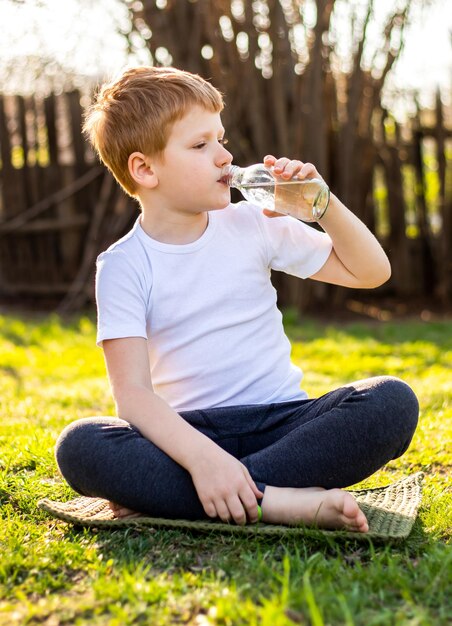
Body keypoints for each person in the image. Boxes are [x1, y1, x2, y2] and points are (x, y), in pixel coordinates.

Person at [55, 66, 419, 532]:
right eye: (200, 144)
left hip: (286, 425)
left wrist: (322, 205)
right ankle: (279, 501)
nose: (224, 156)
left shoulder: (253, 223)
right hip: (189, 438)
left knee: (392, 401)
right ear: (145, 169)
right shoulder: (124, 265)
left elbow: (372, 272)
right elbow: (133, 398)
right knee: (81, 445)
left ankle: (205, 494)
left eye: (221, 139)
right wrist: (204, 459)